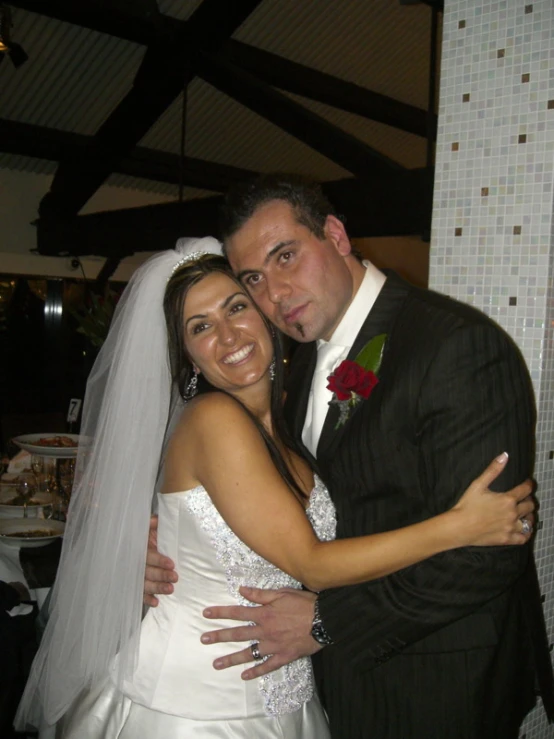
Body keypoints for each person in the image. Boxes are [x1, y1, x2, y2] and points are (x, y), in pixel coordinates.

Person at [16, 239, 532, 739]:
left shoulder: (286, 414)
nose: (228, 334)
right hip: (198, 702)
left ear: (264, 315)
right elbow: (311, 561)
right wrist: (459, 525)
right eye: (201, 327)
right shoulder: (214, 419)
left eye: (236, 307)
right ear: (190, 358)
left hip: (289, 690)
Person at [143, 175, 554, 739]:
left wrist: (323, 621)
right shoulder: (296, 365)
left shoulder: (455, 346)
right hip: (312, 681)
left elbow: (487, 554)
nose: (277, 293)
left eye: (286, 256)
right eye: (255, 279)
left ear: (335, 235)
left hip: (437, 684)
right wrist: (163, 549)